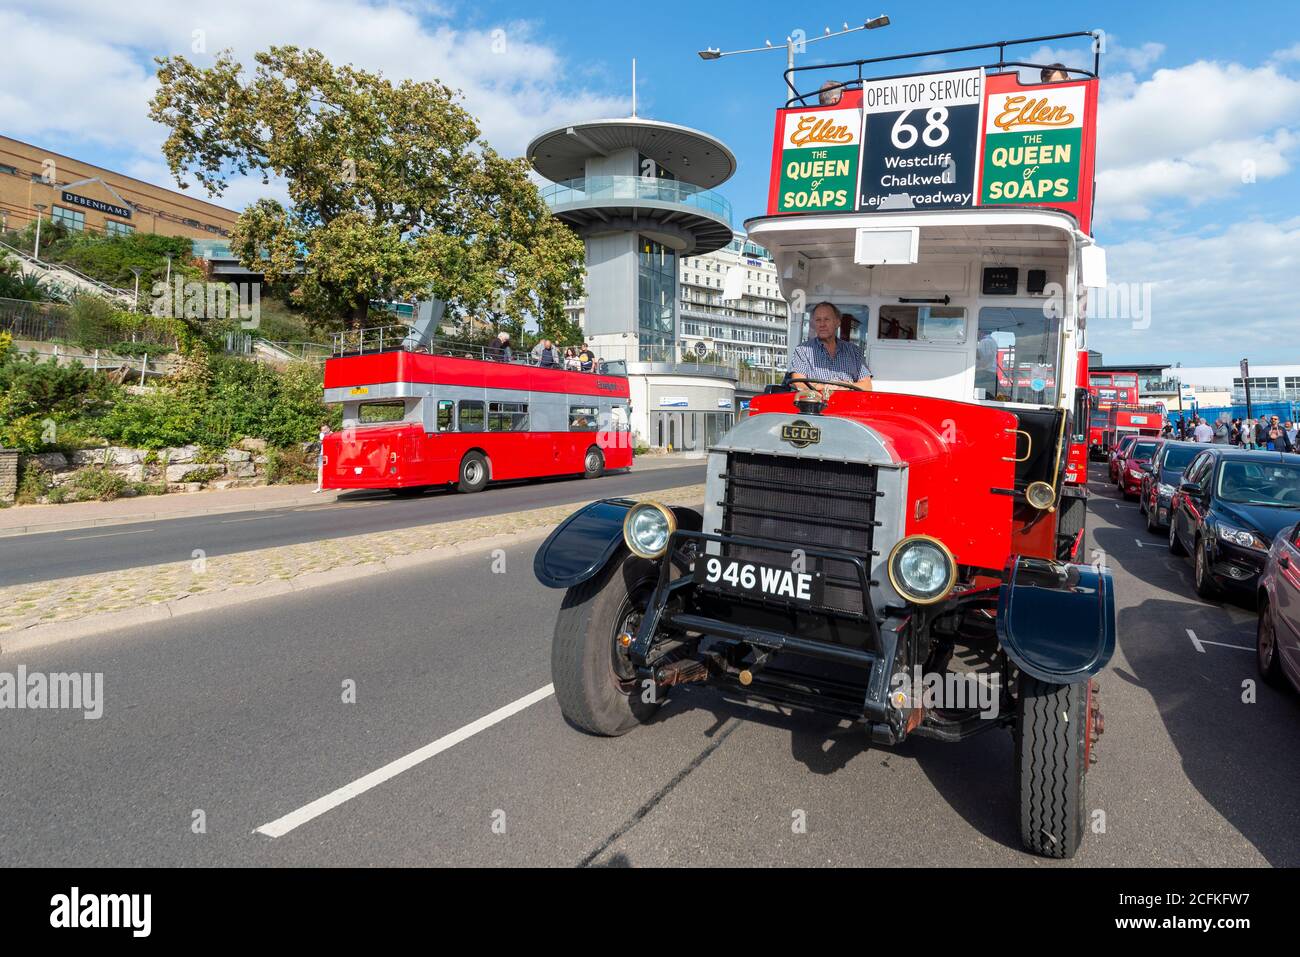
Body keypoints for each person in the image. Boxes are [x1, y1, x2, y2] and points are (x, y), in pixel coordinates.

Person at [789, 301, 873, 398]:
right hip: (815, 408)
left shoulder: (854, 351)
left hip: (847, 408)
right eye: (818, 320)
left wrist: (844, 386)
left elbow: (867, 386)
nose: (822, 324)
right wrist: (830, 388)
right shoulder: (802, 351)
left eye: (827, 319)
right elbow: (799, 384)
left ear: (837, 322)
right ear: (813, 324)